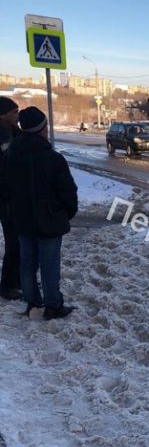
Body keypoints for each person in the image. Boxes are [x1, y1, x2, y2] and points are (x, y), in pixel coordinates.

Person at [3, 106, 78, 319]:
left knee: (26, 263)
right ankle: (53, 305)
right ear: (42, 129)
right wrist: (64, 214)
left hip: (22, 219)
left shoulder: (11, 156)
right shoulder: (53, 159)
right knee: (49, 264)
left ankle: (32, 303)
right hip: (49, 220)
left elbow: (6, 189)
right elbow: (68, 193)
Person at [0, 96, 22, 300]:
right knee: (14, 242)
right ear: (2, 115)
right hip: (7, 199)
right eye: (14, 112)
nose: (17, 115)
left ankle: (17, 280)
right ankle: (7, 285)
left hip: (16, 197)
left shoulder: (14, 133)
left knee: (20, 240)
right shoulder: (2, 137)